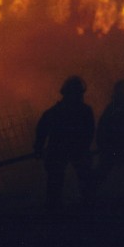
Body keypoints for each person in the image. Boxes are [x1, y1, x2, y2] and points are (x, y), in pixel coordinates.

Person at [34, 76, 95, 210]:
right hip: (73, 149)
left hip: (59, 150)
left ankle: (55, 209)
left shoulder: (54, 112)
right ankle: (87, 206)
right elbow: (89, 132)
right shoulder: (84, 111)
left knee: (57, 181)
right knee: (84, 178)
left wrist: (38, 148)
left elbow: (41, 131)